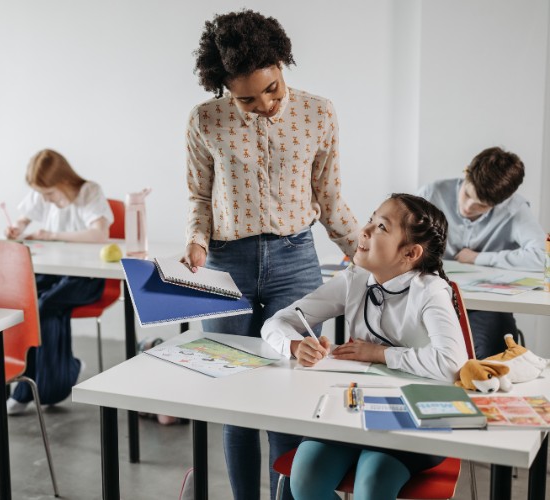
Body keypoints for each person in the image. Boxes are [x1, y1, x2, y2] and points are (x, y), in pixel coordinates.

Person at [181, 10, 359, 499]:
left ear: (283, 65)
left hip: (295, 260)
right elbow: (199, 197)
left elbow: (330, 197)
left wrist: (365, 255)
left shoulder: (319, 113)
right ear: (224, 88)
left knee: (289, 392)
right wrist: (196, 240)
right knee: (235, 396)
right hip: (225, 265)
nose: (264, 104)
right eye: (246, 98)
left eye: (273, 89)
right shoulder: (205, 120)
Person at [262, 193, 468, 500]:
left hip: (415, 420)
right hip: (353, 412)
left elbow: (452, 363)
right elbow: (276, 322)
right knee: (304, 480)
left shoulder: (430, 291)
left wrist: (379, 354)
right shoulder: (355, 279)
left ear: (410, 253)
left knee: (371, 486)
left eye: (382, 227)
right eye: (371, 219)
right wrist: (294, 346)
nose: (365, 230)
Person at [4, 148, 112, 415]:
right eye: (41, 194)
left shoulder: (89, 192)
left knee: (46, 305)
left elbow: (100, 233)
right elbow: (23, 218)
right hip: (53, 272)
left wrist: (53, 235)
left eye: (49, 193)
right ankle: (61, 372)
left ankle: (36, 388)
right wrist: (17, 227)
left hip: (88, 277)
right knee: (23, 302)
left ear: (63, 181)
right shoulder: (43, 193)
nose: (45, 199)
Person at [418, 147, 545, 359]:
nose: (468, 207)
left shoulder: (515, 209)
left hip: (485, 307)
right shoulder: (432, 193)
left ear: (500, 203)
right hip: (430, 296)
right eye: (467, 194)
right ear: (466, 174)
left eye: (481, 206)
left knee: (494, 350)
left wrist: (479, 258)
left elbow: (543, 257)